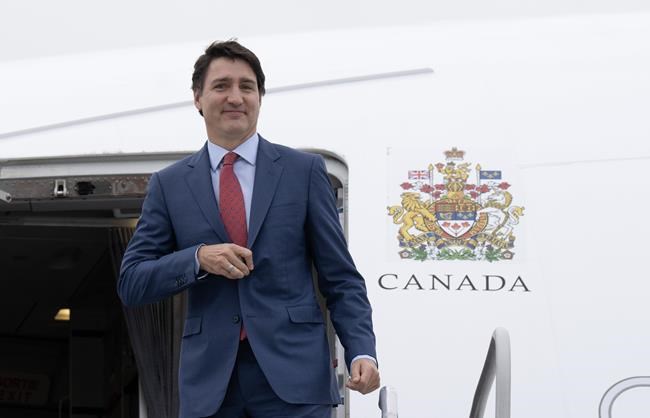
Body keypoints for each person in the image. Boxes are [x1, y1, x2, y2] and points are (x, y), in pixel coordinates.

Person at [118, 40, 379, 418]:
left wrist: (361, 350)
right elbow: (132, 282)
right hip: (211, 386)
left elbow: (341, 278)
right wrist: (197, 259)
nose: (235, 97)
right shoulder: (169, 185)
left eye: (247, 86)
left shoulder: (303, 172)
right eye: (221, 86)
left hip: (295, 381)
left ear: (260, 97)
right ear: (197, 98)